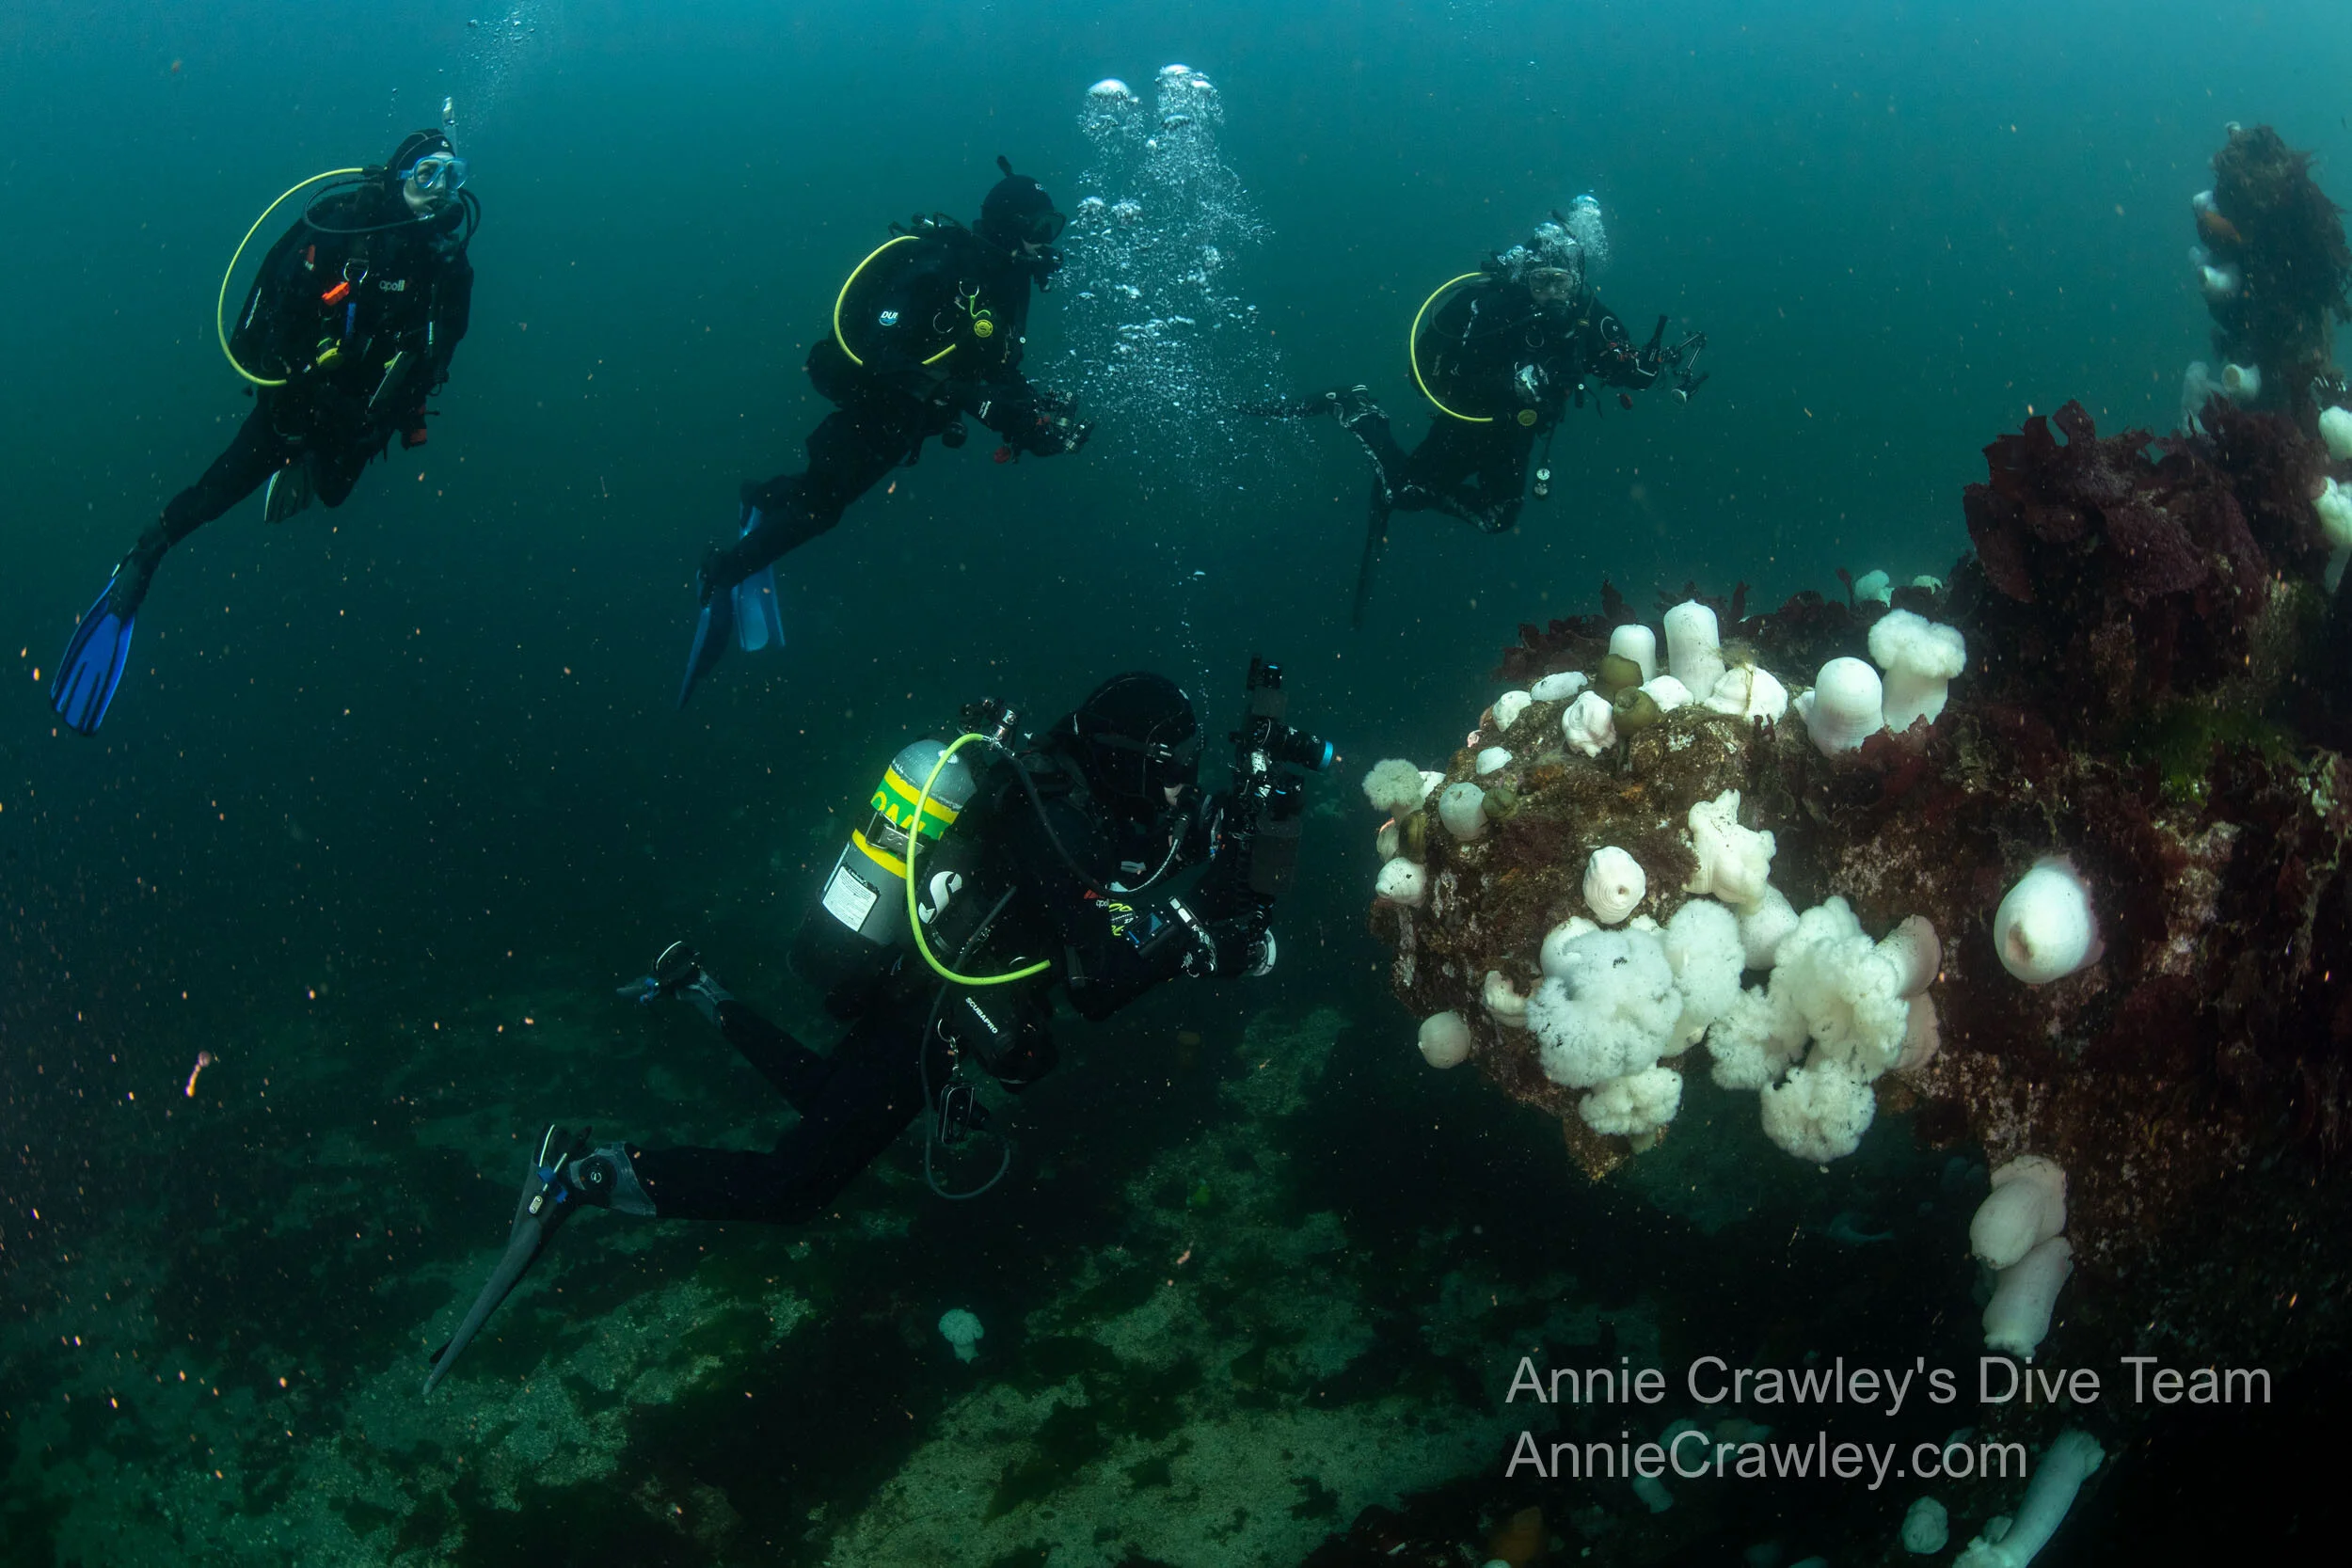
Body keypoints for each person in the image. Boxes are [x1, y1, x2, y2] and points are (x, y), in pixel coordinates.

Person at [423, 669, 1327, 1393]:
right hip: (926, 1015)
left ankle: (696, 986)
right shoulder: (1053, 823)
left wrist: (1224, 835)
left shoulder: (1087, 797)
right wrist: (1206, 914)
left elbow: (1143, 864)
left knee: (825, 1096)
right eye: (1174, 762)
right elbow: (1105, 979)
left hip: (917, 993)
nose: (1182, 780)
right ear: (1128, 760)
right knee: (794, 1185)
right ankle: (582, 1177)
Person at [47, 130, 478, 736]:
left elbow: (435, 363)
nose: (439, 193)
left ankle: (302, 468)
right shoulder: (337, 232)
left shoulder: (445, 268)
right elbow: (261, 335)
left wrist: (374, 418)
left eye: (451, 176)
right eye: (425, 175)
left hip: (356, 427)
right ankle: (143, 557)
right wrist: (304, 402)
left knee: (332, 493)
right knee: (217, 491)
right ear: (396, 177)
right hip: (294, 409)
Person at [675, 157, 1091, 706]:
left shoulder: (1009, 285)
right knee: (821, 508)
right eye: (1039, 228)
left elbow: (999, 369)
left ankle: (758, 495)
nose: (1046, 243)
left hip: (909, 417)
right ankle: (721, 571)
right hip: (876, 397)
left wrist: (1031, 419)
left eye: (1052, 229)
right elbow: (872, 343)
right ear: (1009, 225)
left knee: (822, 495)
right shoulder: (943, 263)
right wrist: (960, 395)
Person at [1283, 202, 1703, 625]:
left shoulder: (1588, 318)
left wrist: (1645, 371)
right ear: (1525, 278)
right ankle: (1357, 407)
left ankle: (1409, 476)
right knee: (1402, 492)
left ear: (1578, 283)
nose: (1552, 294)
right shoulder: (1493, 307)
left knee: (1499, 515)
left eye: (1562, 283)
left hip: (1517, 433)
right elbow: (1434, 373)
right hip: (1467, 421)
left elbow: (1620, 365)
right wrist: (1508, 380)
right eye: (1541, 281)